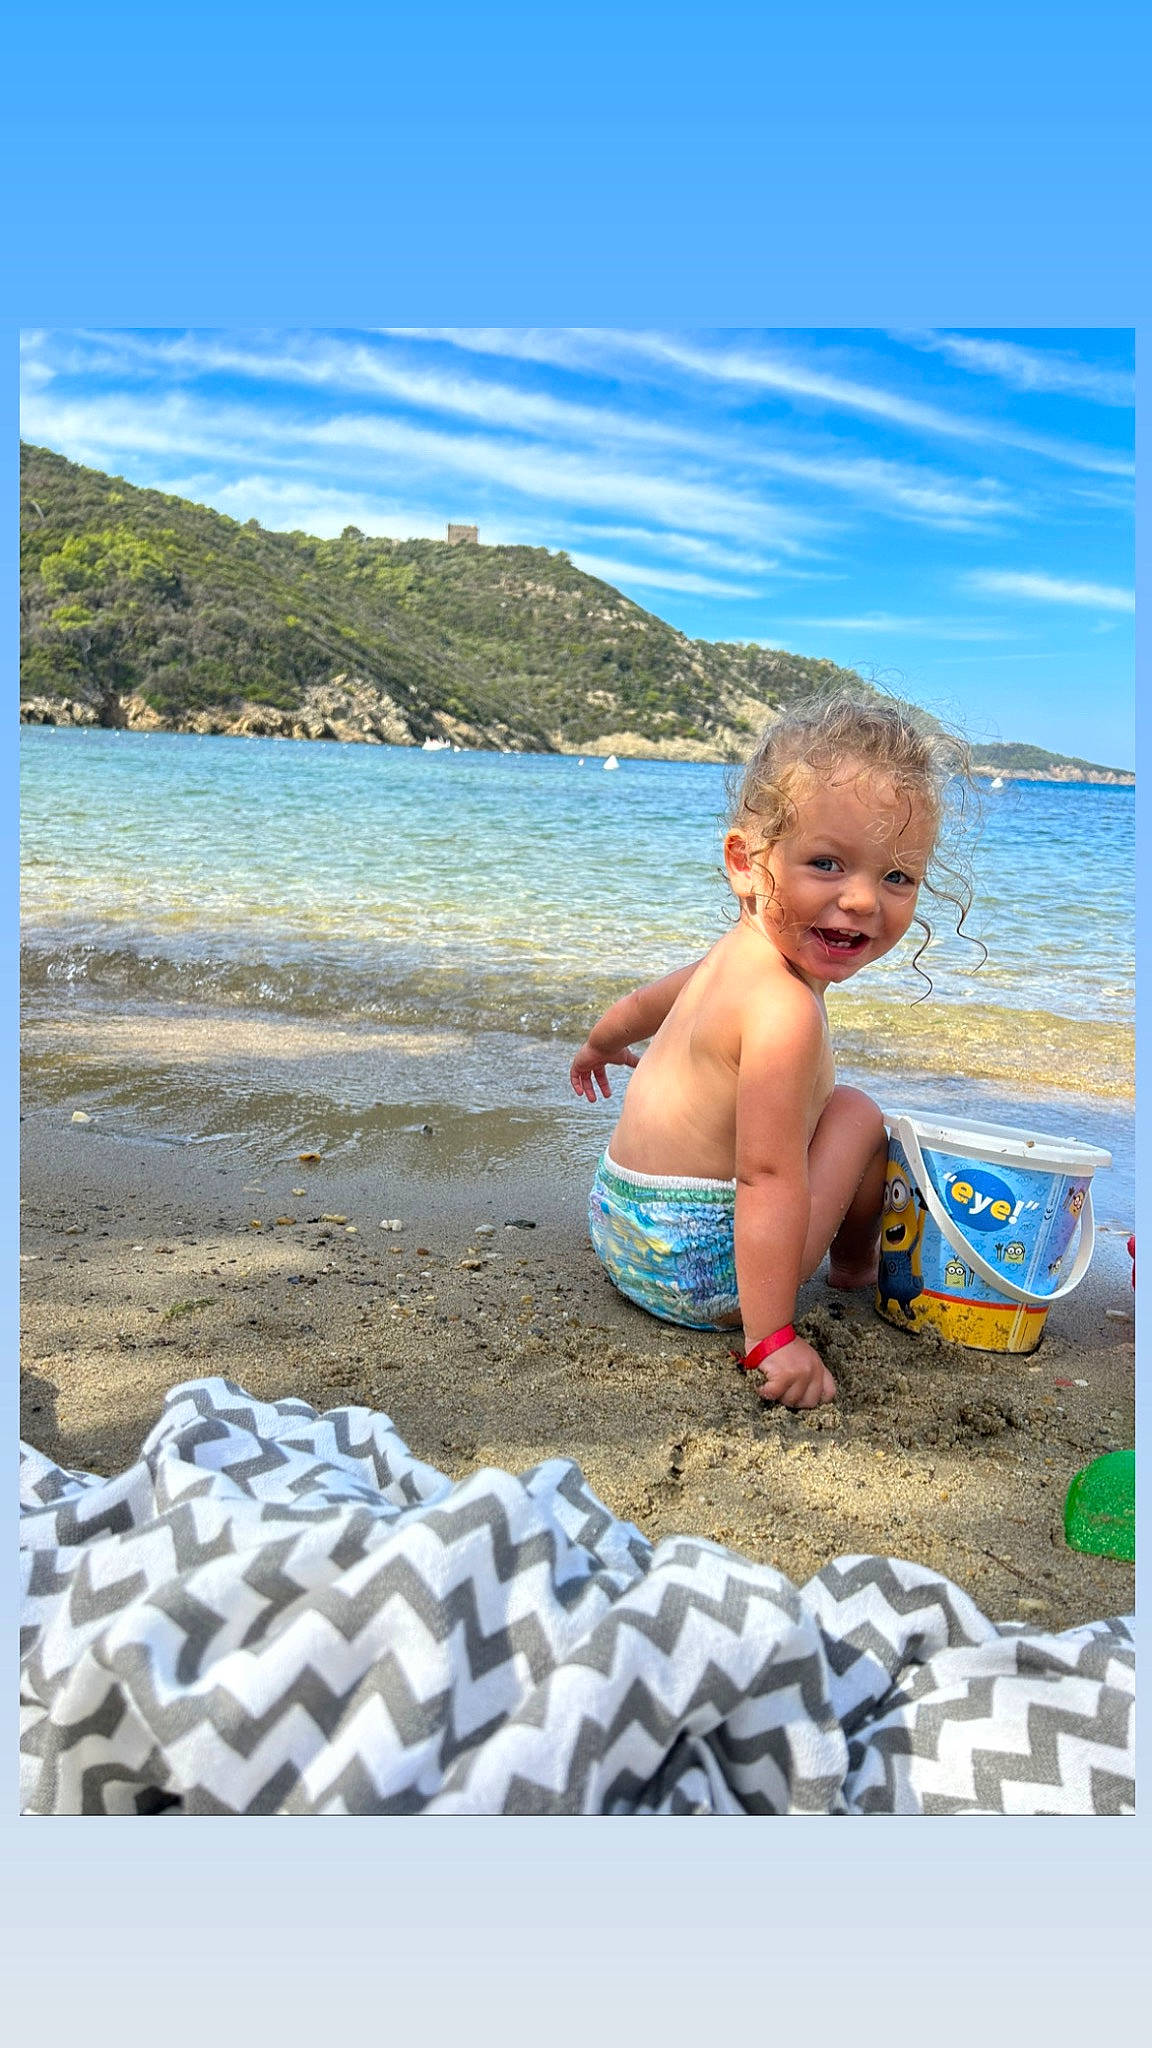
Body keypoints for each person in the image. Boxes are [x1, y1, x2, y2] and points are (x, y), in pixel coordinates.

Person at [570, 690, 974, 1410]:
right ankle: (854, 1268)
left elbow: (639, 1007)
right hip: (698, 1272)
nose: (860, 901)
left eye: (896, 877)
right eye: (827, 863)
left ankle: (842, 1267)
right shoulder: (785, 1011)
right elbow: (765, 1179)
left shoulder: (728, 955)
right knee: (854, 1114)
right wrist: (772, 1339)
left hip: (617, 1227)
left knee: (820, 1117)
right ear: (748, 863)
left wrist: (599, 1047)